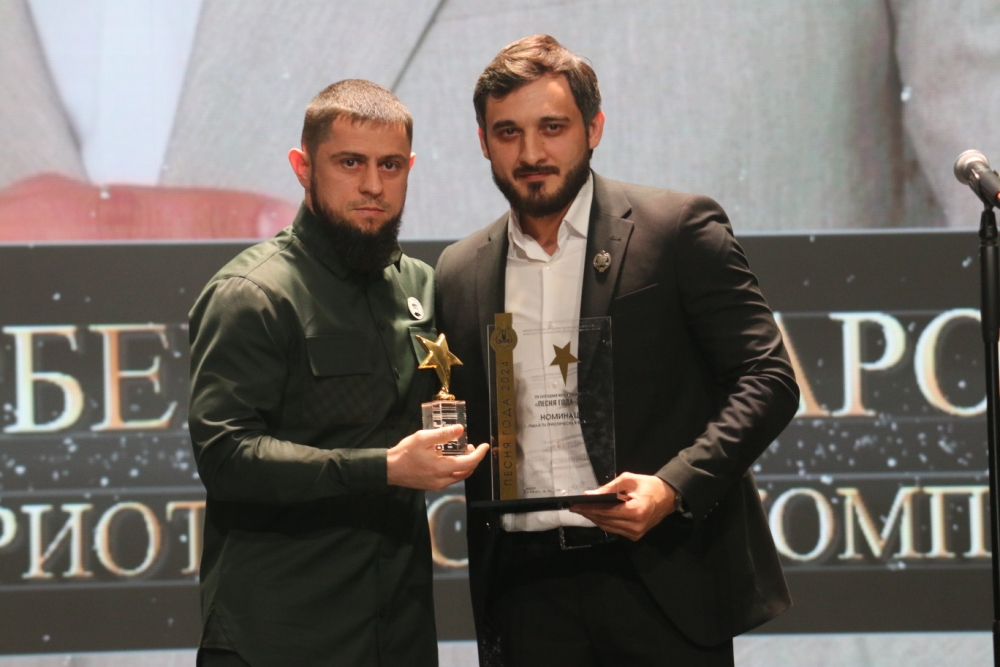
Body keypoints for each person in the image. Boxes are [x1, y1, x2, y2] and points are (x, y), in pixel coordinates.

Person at [435, 36, 800, 666]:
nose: (531, 153)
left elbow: (768, 378)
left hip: (659, 576)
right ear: (483, 142)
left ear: (594, 128)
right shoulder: (459, 270)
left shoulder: (677, 228)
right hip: (524, 594)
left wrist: (673, 487)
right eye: (508, 132)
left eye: (552, 127)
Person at [187, 79, 488, 667]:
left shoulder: (422, 287)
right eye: (350, 162)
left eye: (390, 165)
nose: (373, 184)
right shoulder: (253, 293)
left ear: (409, 168)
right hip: (279, 636)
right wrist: (385, 468)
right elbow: (225, 456)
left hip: (398, 632)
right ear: (303, 166)